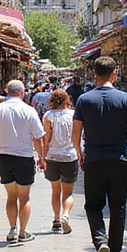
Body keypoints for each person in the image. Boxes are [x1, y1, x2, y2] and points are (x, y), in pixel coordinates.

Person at [71, 56, 127, 252]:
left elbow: (76, 131)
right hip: (119, 159)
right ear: (114, 74)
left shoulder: (84, 100)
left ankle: (100, 241)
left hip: (94, 159)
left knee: (94, 205)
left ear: (95, 74)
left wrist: (79, 154)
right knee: (118, 206)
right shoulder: (124, 98)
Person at [0, 79, 45, 244]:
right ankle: (23, 232)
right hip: (24, 158)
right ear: (22, 94)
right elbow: (38, 137)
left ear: (6, 91)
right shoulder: (29, 110)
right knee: (24, 197)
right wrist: (42, 157)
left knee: (11, 197)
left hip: (4, 158)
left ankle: (12, 229)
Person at [41, 88, 78, 233]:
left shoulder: (48, 116)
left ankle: (56, 219)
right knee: (68, 192)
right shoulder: (73, 115)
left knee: (55, 190)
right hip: (70, 156)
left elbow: (46, 138)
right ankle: (66, 215)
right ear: (66, 100)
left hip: (53, 157)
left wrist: (43, 157)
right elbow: (77, 135)